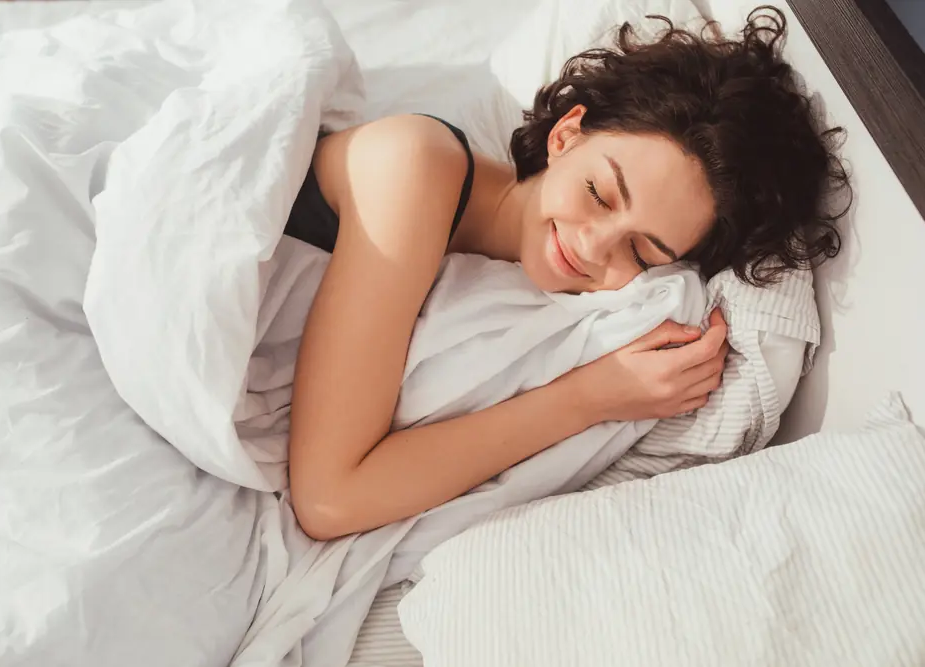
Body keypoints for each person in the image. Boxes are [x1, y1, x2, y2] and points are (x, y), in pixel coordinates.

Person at [285, 6, 850, 540]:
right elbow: (328, 499)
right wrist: (591, 398)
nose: (593, 245)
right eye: (599, 194)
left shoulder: (516, 288)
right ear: (565, 136)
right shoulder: (417, 166)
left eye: (643, 252)